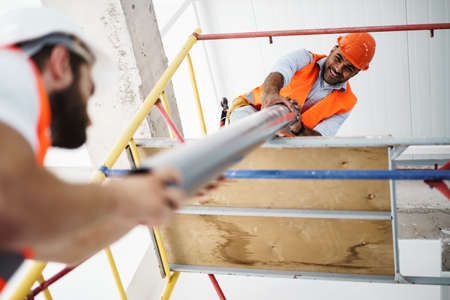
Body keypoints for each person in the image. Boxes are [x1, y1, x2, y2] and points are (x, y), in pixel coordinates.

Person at [0, 7, 185, 291]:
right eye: (86, 92)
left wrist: (143, 205)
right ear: (61, 63)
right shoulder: (10, 74)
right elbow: (14, 205)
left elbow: (72, 245)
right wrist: (123, 196)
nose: (87, 118)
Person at [227, 33, 376, 136]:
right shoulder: (304, 58)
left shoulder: (347, 104)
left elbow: (321, 139)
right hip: (251, 110)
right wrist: (271, 95)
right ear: (332, 50)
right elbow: (279, 72)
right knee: (246, 137)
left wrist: (299, 128)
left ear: (356, 73)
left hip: (283, 138)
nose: (338, 69)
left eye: (348, 68)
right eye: (338, 59)